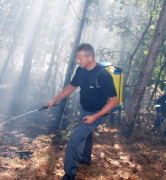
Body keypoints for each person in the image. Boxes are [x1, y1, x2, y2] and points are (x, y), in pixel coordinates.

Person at [46, 43, 118, 180]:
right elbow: (71, 87)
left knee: (74, 139)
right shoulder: (81, 70)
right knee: (86, 134)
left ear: (90, 57)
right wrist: (54, 100)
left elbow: (114, 101)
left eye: (81, 59)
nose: (78, 62)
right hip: (84, 110)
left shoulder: (103, 75)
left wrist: (95, 117)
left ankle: (69, 175)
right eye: (77, 59)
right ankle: (85, 159)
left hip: (97, 113)